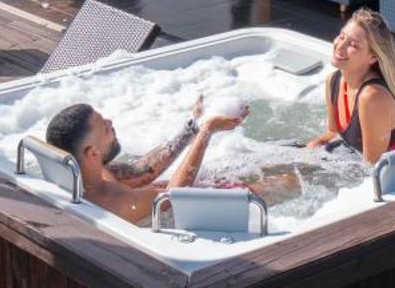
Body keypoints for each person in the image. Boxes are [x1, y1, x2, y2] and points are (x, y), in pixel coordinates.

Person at [44, 96, 245, 224]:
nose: (110, 122)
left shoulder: (79, 175)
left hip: (147, 202)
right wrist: (206, 131)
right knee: (247, 190)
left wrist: (192, 127)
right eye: (104, 127)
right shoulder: (115, 203)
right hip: (169, 220)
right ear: (92, 153)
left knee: (218, 180)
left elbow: (141, 172)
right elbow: (173, 198)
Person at [306, 8, 395, 163]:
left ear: (373, 57)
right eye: (341, 37)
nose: (340, 47)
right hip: (355, 157)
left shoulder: (372, 97)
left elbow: (372, 167)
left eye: (353, 45)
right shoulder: (334, 80)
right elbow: (332, 132)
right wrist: (317, 143)